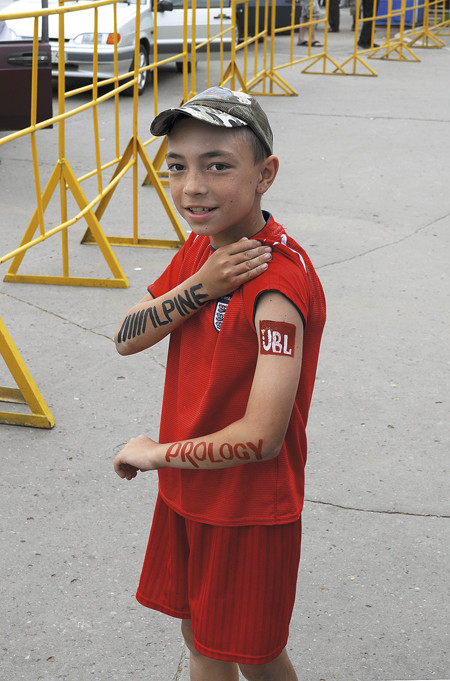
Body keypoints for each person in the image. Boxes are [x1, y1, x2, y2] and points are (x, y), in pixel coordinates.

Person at [113, 86, 326, 681]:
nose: (192, 187)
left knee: (254, 656)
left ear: (265, 174)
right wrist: (201, 287)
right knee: (199, 638)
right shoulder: (205, 253)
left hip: (246, 510)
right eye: (177, 167)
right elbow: (127, 336)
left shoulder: (275, 284)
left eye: (217, 166)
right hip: (189, 491)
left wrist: (155, 454)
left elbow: (262, 437)